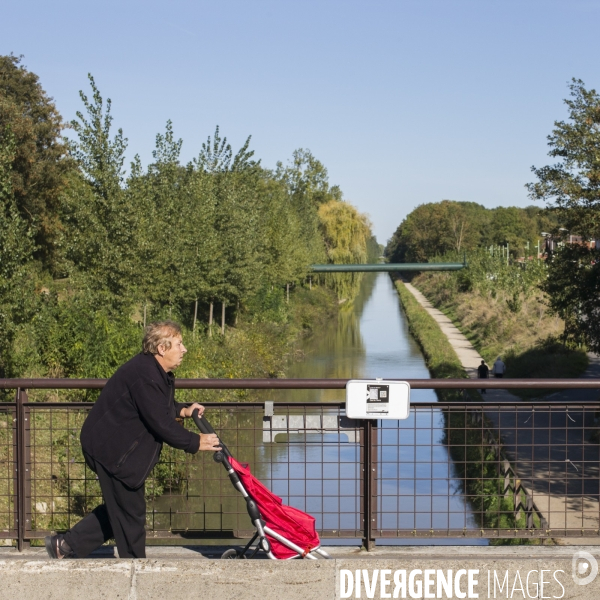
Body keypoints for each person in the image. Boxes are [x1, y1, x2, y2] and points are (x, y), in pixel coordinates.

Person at [45, 321, 221, 559]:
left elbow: (157, 407)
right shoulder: (145, 374)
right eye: (179, 344)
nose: (184, 349)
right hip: (111, 450)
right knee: (131, 514)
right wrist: (194, 441)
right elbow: (160, 422)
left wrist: (183, 410)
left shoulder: (154, 371)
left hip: (117, 448)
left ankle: (64, 546)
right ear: (161, 348)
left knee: (122, 508)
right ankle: (134, 566)